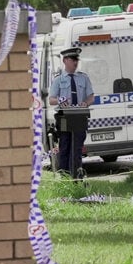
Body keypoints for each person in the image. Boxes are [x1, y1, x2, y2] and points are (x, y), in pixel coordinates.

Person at [48, 47, 95, 178]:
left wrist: (86, 102)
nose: (76, 62)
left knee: (77, 148)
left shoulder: (83, 78)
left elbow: (91, 97)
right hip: (64, 118)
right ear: (65, 60)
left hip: (79, 117)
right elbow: (51, 100)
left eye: (77, 59)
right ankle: (65, 177)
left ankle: (77, 176)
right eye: (73, 59)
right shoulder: (58, 79)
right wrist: (59, 100)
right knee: (65, 146)